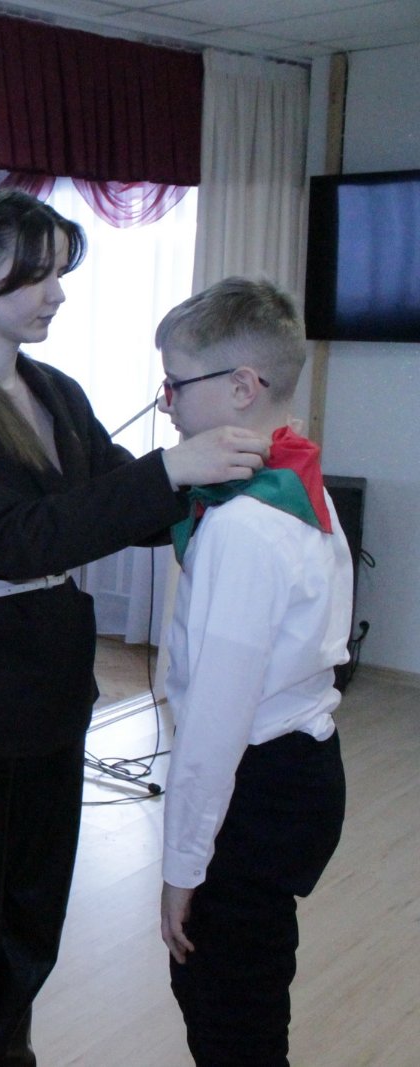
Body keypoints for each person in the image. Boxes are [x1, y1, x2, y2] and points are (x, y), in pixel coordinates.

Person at [0, 187, 272, 1067]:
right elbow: (17, 538)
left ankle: (6, 1048)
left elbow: (116, 501)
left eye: (60, 274)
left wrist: (225, 477)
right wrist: (171, 471)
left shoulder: (53, 389)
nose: (56, 294)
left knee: (32, 909)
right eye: (37, 276)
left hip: (50, 684)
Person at [153, 279, 350, 1066]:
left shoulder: (243, 525)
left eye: (177, 382)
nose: (166, 401)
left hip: (257, 782)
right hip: (302, 764)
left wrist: (181, 867)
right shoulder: (297, 480)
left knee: (226, 1010)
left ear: (242, 387)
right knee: (252, 986)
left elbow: (216, 722)